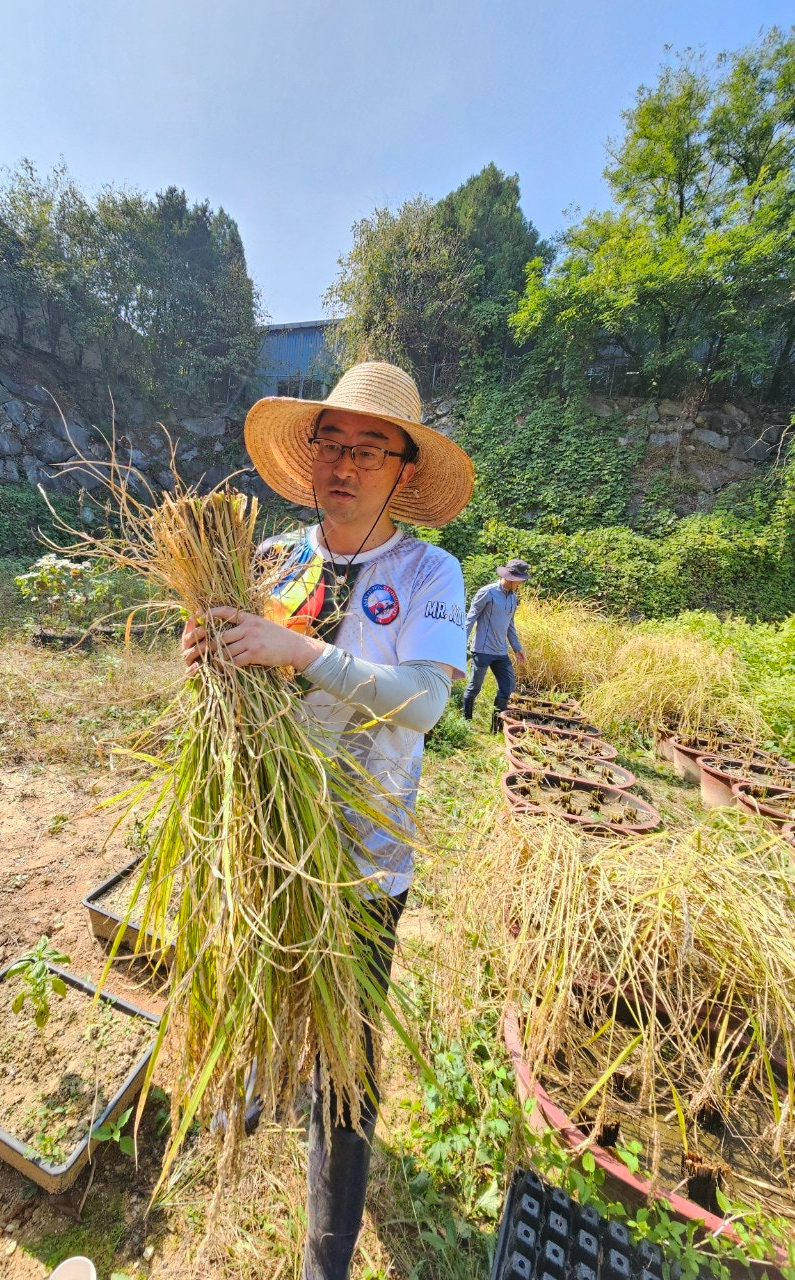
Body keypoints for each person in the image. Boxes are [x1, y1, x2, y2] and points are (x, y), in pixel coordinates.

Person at [182, 360, 474, 1280]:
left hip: (359, 866)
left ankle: (326, 1259)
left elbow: (425, 704)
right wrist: (208, 656)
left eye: (368, 449)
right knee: (266, 991)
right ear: (309, 457)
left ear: (402, 470)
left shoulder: (428, 570)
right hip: (266, 845)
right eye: (330, 443)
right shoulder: (277, 559)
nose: (343, 463)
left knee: (344, 1062)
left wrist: (300, 650)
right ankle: (261, 1088)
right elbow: (242, 678)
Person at [461, 558, 531, 731]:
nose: (521, 583)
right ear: (511, 578)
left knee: (507, 687)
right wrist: (459, 642)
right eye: (520, 580)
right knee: (474, 687)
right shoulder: (488, 592)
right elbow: (471, 618)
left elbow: (510, 625)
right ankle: (466, 723)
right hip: (482, 650)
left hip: (501, 652)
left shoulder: (513, 598)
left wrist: (517, 648)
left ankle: (496, 728)